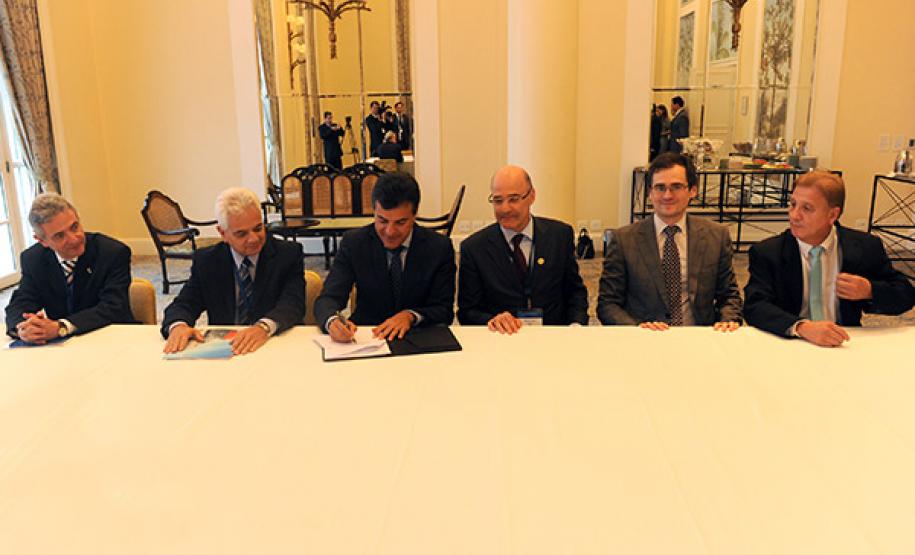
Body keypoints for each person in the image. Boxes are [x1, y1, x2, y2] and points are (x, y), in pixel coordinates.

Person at [744, 171, 915, 347]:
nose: (794, 215)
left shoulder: (863, 247)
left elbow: (906, 295)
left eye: (807, 208)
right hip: (792, 342)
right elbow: (754, 307)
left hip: (843, 341)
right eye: (793, 204)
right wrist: (802, 327)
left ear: (832, 215)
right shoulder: (768, 252)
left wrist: (870, 290)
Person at [597, 152, 742, 330]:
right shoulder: (623, 240)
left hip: (698, 337)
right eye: (660, 187)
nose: (667, 195)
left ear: (692, 191)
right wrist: (636, 328)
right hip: (645, 339)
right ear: (650, 192)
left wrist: (728, 320)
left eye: (676, 186)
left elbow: (729, 296)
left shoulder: (716, 236)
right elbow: (607, 304)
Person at [314, 172, 456, 342]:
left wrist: (410, 316)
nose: (390, 232)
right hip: (368, 337)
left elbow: (444, 311)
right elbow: (328, 298)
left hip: (419, 337)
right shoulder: (354, 243)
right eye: (382, 221)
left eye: (400, 223)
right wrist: (332, 321)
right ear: (374, 211)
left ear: (415, 214)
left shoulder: (439, 248)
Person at [161, 187, 304, 355]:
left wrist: (263, 327)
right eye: (241, 234)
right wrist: (179, 326)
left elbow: (293, 304)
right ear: (223, 233)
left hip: (274, 345)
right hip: (227, 349)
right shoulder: (207, 261)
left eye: (258, 228)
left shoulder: (287, 254)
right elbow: (185, 303)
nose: (253, 238)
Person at [458, 165, 588, 333]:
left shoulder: (560, 236)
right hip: (503, 339)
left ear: (531, 196)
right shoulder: (474, 248)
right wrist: (492, 320)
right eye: (498, 200)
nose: (505, 208)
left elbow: (575, 292)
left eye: (513, 199)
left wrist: (576, 327)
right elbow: (467, 312)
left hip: (554, 337)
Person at [5, 193, 134, 343]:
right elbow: (20, 303)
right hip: (63, 349)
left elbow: (113, 308)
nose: (74, 238)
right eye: (60, 236)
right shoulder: (33, 259)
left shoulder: (112, 253)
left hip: (112, 338)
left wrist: (62, 327)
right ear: (42, 240)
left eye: (74, 227)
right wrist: (24, 328)